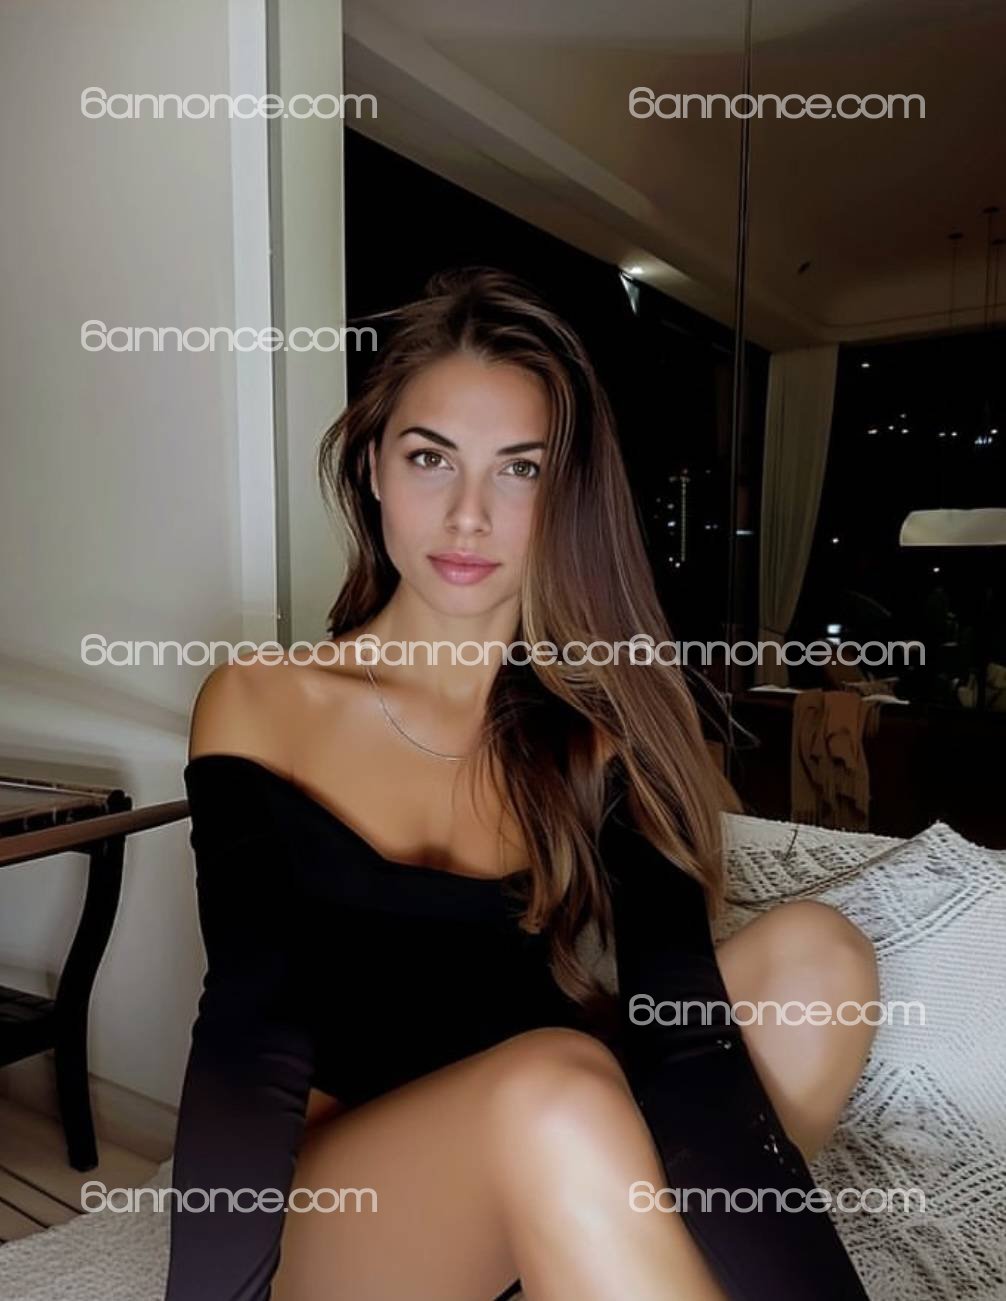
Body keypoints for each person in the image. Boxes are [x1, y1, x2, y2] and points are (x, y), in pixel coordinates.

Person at [164, 267, 879, 1300]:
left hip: (553, 1136)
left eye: (520, 469)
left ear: (565, 495)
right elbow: (249, 1032)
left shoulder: (601, 732)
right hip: (354, 1211)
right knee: (553, 1083)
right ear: (372, 466)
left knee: (818, 958)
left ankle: (595, 1260)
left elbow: (689, 1043)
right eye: (430, 457)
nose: (468, 515)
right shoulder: (261, 701)